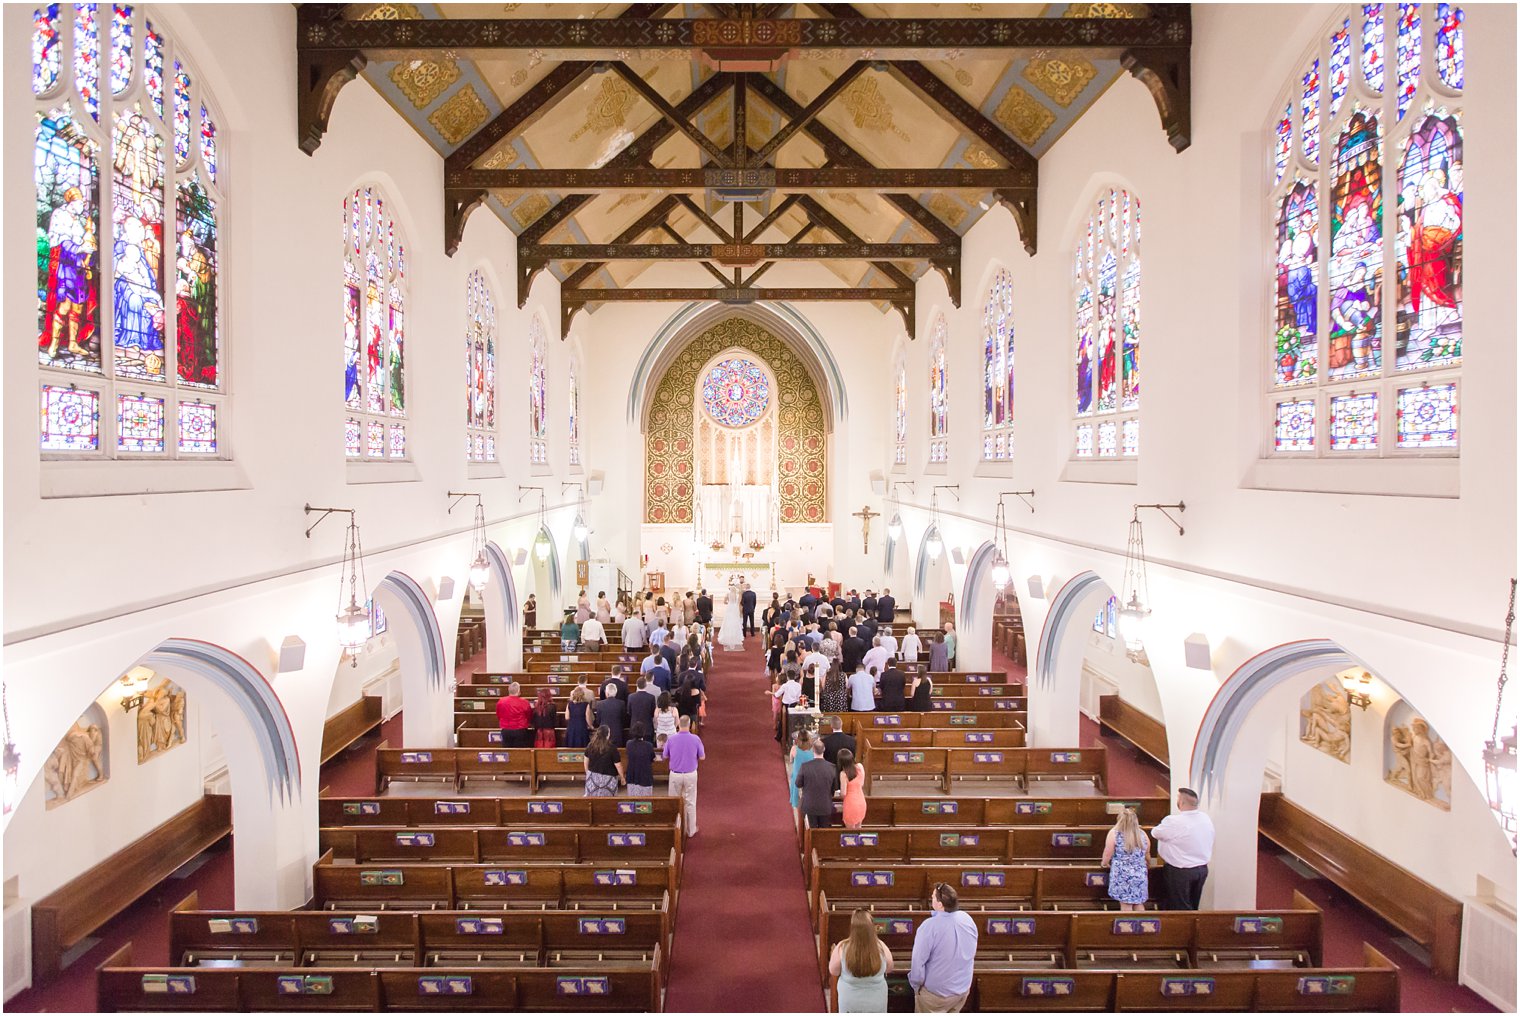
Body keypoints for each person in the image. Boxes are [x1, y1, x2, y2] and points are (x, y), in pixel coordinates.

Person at [908, 883, 978, 1012]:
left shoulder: (929, 926)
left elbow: (918, 961)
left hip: (936, 996)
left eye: (933, 896)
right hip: (962, 989)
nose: (931, 897)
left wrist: (916, 986)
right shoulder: (967, 919)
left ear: (940, 904)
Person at [1152, 788, 1215, 910]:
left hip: (1180, 871)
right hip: (1201, 869)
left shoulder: (1174, 821)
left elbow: (1155, 833)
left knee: (1179, 906)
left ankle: (1180, 928)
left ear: (1181, 803)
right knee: (1193, 904)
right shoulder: (1205, 818)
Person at [831, 908, 894, 1013]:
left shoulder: (842, 947)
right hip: (876, 1003)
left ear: (852, 928)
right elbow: (889, 968)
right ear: (871, 928)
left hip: (850, 1002)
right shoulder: (881, 946)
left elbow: (834, 971)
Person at [1102, 807, 1151, 911]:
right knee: (1138, 903)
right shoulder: (1142, 834)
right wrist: (1148, 864)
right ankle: (1140, 925)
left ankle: (1128, 926)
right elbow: (1147, 854)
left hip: (1122, 874)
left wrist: (1104, 863)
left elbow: (1108, 853)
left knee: (1126, 904)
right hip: (1139, 873)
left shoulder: (1115, 833)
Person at [663, 715, 705, 835]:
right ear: (689, 724)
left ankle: (675, 829)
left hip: (675, 775)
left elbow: (665, 756)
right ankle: (691, 830)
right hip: (690, 774)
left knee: (674, 801)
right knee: (690, 802)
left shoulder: (671, 739)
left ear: (679, 724)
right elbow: (702, 757)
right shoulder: (695, 739)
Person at [795, 749, 838, 829]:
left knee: (811, 831)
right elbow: (835, 788)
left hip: (809, 805)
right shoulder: (832, 767)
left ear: (813, 751)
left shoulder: (805, 766)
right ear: (824, 750)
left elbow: (798, 784)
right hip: (825, 805)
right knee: (824, 832)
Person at [582, 725, 624, 797]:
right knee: (608, 800)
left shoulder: (590, 745)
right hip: (609, 779)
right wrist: (622, 777)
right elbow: (618, 765)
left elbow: (586, 761)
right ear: (607, 734)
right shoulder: (612, 748)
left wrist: (588, 773)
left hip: (593, 777)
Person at [788, 730, 817, 834]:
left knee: (797, 802)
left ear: (798, 739)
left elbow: (790, 761)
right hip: (809, 777)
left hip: (797, 777)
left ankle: (799, 823)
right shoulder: (813, 749)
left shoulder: (795, 749)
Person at [495, 681, 533, 747]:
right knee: (520, 752)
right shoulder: (524, 702)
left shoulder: (501, 701)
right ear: (518, 691)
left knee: (508, 752)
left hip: (506, 729)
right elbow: (529, 715)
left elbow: (499, 714)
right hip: (520, 730)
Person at [590, 682, 627, 748]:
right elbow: (623, 719)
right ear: (616, 693)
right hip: (617, 733)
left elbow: (598, 720)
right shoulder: (621, 703)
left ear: (606, 693)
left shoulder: (600, 704)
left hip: (603, 734)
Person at [837, 747, 867, 828]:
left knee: (850, 833)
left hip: (851, 804)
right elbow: (862, 783)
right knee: (858, 829)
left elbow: (843, 793)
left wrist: (838, 794)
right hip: (861, 800)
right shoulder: (860, 766)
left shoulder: (843, 774)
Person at [624, 721, 656, 797]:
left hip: (632, 775)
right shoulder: (649, 745)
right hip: (645, 776)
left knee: (632, 800)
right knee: (645, 804)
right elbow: (652, 758)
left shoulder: (629, 744)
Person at [563, 683, 591, 749]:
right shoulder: (586, 704)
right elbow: (587, 717)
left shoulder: (569, 704)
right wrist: (590, 726)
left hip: (572, 727)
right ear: (583, 694)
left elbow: (567, 717)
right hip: (582, 727)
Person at [719, 583, 745, 651]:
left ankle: (728, 637)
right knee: (735, 622)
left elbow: (724, 602)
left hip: (729, 607)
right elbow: (739, 601)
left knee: (728, 622)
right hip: (735, 608)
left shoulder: (727, 594)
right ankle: (735, 637)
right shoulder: (737, 595)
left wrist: (729, 603)